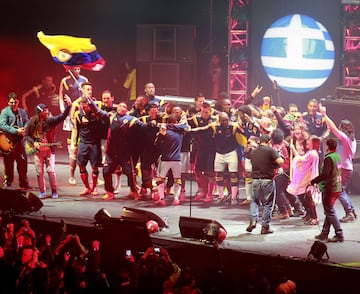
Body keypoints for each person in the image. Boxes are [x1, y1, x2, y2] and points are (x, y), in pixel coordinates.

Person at [25, 96, 72, 199]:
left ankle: (54, 191)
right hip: (38, 151)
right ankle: (42, 192)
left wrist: (69, 106)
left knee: (51, 171)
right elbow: (26, 135)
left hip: (49, 150)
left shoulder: (50, 121)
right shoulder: (32, 123)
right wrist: (34, 143)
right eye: (45, 110)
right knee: (39, 172)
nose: (47, 111)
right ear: (40, 112)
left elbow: (62, 116)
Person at [320, 105, 357, 223]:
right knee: (342, 190)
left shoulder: (346, 139)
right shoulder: (352, 139)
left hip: (344, 169)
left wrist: (324, 115)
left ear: (343, 128)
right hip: (347, 168)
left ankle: (350, 212)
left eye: (341, 127)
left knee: (340, 191)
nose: (339, 129)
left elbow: (334, 128)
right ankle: (351, 211)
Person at [71, 83, 106, 197]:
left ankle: (94, 187)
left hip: (94, 143)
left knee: (94, 167)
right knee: (81, 165)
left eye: (91, 89)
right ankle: (87, 187)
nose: (90, 91)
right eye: (87, 89)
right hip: (83, 143)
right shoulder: (78, 113)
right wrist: (74, 145)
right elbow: (76, 129)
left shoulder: (97, 109)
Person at [246, 134, 284, 234]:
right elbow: (280, 161)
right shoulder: (270, 150)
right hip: (267, 180)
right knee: (268, 204)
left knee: (254, 201)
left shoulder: (254, 152)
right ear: (268, 141)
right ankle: (265, 227)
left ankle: (253, 220)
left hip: (255, 180)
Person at [58, 66, 89, 185]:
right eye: (74, 69)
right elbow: (61, 95)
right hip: (69, 111)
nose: (77, 71)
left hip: (80, 111)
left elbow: (86, 97)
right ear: (70, 70)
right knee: (71, 138)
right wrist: (63, 109)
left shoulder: (84, 80)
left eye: (78, 69)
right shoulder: (65, 81)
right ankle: (71, 153)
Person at [311, 138, 344, 242]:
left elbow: (326, 174)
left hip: (330, 188)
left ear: (327, 146)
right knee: (329, 211)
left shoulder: (329, 158)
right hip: (337, 187)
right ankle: (324, 233)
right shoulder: (337, 156)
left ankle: (339, 234)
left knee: (329, 211)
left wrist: (314, 181)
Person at [154, 114, 188, 206]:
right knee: (177, 180)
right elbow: (184, 125)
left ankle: (162, 199)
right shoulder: (181, 132)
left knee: (160, 179)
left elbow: (156, 144)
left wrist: (162, 131)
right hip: (177, 159)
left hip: (165, 159)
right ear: (176, 122)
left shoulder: (164, 131)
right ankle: (176, 199)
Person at [287, 136, 321, 225]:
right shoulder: (310, 152)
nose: (308, 142)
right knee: (303, 197)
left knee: (308, 199)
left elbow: (301, 161)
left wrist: (294, 150)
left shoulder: (313, 153)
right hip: (305, 178)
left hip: (308, 179)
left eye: (310, 141)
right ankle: (309, 214)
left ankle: (314, 217)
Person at [0, 92, 31, 190]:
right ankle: (8, 182)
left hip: (20, 142)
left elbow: (27, 121)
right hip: (9, 141)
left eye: (15, 102)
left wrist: (25, 129)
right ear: (8, 102)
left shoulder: (22, 112)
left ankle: (23, 183)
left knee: (22, 162)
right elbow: (2, 125)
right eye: (11, 102)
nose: (13, 104)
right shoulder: (5, 112)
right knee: (9, 164)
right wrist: (15, 131)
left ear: (18, 101)